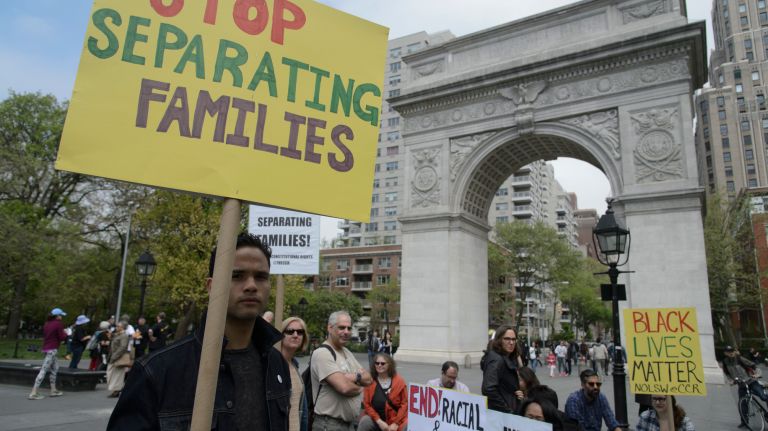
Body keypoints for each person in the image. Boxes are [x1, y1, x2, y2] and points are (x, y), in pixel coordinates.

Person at [108, 233, 291, 430]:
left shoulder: (276, 363)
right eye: (236, 276)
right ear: (211, 286)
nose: (251, 286)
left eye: (261, 277)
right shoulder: (157, 371)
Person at [311, 310, 373, 430]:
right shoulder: (323, 353)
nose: (346, 332)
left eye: (349, 328)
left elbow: (369, 378)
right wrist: (360, 387)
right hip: (328, 425)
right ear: (329, 328)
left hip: (346, 425)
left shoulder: (346, 352)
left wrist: (354, 377)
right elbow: (344, 387)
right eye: (341, 328)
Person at [359, 353, 408, 431]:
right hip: (376, 420)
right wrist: (379, 421)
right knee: (365, 421)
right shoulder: (369, 381)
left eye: (383, 363)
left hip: (396, 420)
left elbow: (404, 404)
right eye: (377, 363)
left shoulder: (399, 381)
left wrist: (396, 423)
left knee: (409, 425)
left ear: (389, 365)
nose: (379, 365)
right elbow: (366, 404)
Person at [722, 345, 768, 428]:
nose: (731, 353)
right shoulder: (725, 362)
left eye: (732, 351)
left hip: (751, 381)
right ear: (725, 353)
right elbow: (727, 373)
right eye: (729, 352)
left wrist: (757, 374)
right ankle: (744, 422)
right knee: (743, 403)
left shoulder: (739, 358)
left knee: (763, 397)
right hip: (742, 384)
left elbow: (753, 365)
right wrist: (731, 380)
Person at [28, 307, 68, 400]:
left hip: (46, 348)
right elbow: (62, 337)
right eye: (61, 315)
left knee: (55, 368)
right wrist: (66, 333)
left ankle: (53, 390)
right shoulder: (58, 324)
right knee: (44, 369)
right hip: (52, 349)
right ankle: (33, 392)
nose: (61, 317)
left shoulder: (47, 324)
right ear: (57, 316)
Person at [481, 325, 521, 414]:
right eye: (507, 339)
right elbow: (489, 389)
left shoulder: (504, 357)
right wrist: (507, 410)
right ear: (499, 340)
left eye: (514, 339)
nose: (511, 342)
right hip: (501, 416)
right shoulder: (497, 359)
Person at [279, 316, 309, 431]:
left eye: (300, 332)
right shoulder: (271, 365)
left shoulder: (294, 365)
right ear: (281, 334)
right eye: (290, 331)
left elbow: (301, 410)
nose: (295, 335)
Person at [106, 321, 130, 398]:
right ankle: (116, 390)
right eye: (117, 326)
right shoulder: (117, 334)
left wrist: (115, 356)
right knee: (110, 374)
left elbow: (123, 347)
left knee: (117, 375)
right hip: (113, 357)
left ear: (122, 327)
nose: (117, 327)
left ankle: (116, 391)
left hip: (118, 358)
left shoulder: (124, 336)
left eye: (118, 326)